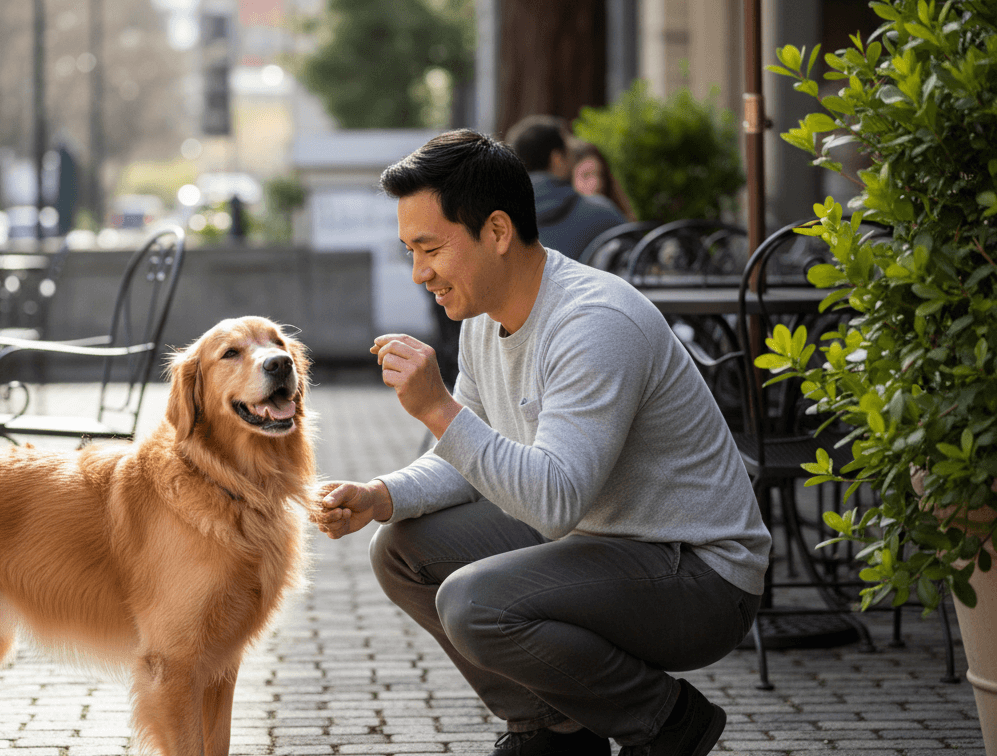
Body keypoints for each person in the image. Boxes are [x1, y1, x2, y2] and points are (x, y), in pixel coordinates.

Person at [312, 129, 769, 756]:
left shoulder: (592, 323)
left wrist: (440, 409)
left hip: (698, 574)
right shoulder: (482, 321)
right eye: (410, 252)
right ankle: (555, 730)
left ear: (497, 231)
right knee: (401, 549)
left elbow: (553, 499)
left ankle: (666, 721)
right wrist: (380, 494)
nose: (420, 274)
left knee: (476, 603)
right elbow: (472, 462)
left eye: (430, 249)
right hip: (600, 543)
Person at [503, 115, 625, 262]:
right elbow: (640, 261)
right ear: (557, 159)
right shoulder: (602, 214)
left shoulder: (497, 224)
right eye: (569, 152)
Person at [569, 140, 637, 222]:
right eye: (586, 175)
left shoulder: (617, 217)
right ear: (568, 179)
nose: (596, 184)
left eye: (600, 174)